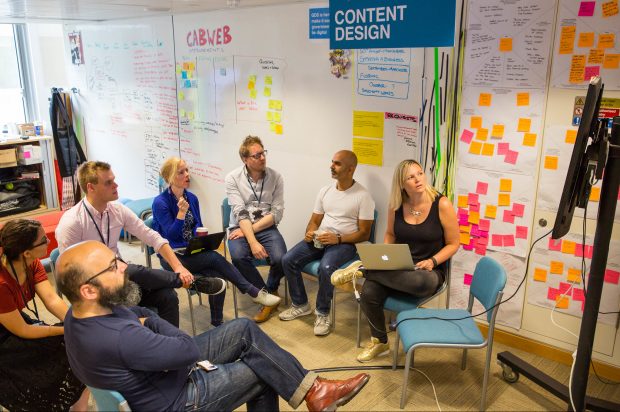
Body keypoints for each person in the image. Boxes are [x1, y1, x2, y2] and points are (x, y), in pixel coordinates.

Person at [57, 240, 370, 412]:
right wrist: (151, 321)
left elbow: (137, 309)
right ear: (88, 289)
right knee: (263, 373)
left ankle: (315, 391)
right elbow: (185, 348)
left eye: (117, 259)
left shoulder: (80, 313)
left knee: (243, 329)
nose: (124, 267)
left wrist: (144, 319)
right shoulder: (120, 337)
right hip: (175, 400)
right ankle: (315, 392)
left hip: (160, 377)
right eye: (113, 267)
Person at [56, 161, 226, 328]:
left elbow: (152, 237)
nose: (116, 185)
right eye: (108, 182)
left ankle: (171, 346)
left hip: (122, 280)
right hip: (96, 290)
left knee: (168, 296)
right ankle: (190, 282)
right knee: (131, 269)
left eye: (114, 179)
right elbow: (71, 275)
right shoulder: (72, 223)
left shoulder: (116, 210)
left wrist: (178, 267)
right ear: (91, 187)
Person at [331, 159, 459, 362]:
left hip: (427, 271)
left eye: (419, 173)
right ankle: (380, 343)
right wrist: (386, 257)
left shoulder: (441, 204)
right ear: (402, 184)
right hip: (397, 268)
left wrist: (433, 261)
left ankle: (364, 270)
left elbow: (454, 243)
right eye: (411, 177)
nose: (418, 179)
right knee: (369, 293)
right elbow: (390, 234)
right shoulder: (396, 205)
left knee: (416, 282)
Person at [152, 157, 280, 326]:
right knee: (214, 257)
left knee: (218, 277)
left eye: (187, 170)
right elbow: (171, 235)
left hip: (190, 251)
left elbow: (198, 224)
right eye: (181, 172)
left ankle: (217, 322)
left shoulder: (192, 198)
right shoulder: (160, 202)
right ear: (170, 177)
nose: (187, 175)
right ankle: (254, 291)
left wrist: (201, 240)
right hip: (172, 257)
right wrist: (181, 215)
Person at [279, 150, 375, 336]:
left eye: (337, 163)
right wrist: (310, 232)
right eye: (332, 162)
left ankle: (322, 313)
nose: (331, 166)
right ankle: (300, 304)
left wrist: (338, 239)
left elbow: (365, 234)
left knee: (326, 267)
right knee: (288, 259)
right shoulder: (325, 191)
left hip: (345, 243)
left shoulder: (363, 196)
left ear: (350, 169)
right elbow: (315, 220)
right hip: (321, 238)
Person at [0, 219, 88, 411]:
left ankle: (79, 408)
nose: (49, 242)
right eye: (43, 241)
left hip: (15, 321)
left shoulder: (30, 263)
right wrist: (63, 330)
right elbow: (23, 330)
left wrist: (76, 323)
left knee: (81, 341)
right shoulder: (1, 282)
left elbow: (51, 299)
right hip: (5, 336)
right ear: (26, 252)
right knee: (60, 351)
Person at [225, 136, 287, 322]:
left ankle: (271, 286)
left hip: (266, 226)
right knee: (238, 257)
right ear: (245, 159)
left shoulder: (276, 177)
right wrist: (251, 240)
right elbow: (240, 212)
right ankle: (266, 297)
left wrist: (248, 232)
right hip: (238, 226)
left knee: (281, 258)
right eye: (256, 155)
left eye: (263, 153)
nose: (262, 158)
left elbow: (277, 213)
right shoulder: (233, 178)